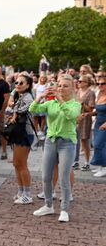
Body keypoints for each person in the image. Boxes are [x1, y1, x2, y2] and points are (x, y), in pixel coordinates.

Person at [30, 75, 81, 222]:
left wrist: (60, 99)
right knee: (46, 176)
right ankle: (48, 205)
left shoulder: (75, 104)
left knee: (64, 177)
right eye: (59, 85)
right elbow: (33, 110)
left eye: (65, 86)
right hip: (50, 141)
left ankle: (64, 209)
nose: (61, 88)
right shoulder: (51, 104)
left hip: (67, 143)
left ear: (72, 88)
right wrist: (40, 97)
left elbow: (71, 115)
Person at [9, 74, 35, 204]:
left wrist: (14, 112)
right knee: (16, 163)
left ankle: (27, 194)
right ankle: (21, 191)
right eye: (16, 82)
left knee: (22, 163)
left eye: (21, 83)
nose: (17, 85)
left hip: (25, 133)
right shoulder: (19, 96)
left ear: (28, 85)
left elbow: (24, 109)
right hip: (18, 132)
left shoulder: (28, 97)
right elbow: (11, 109)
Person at [75, 74, 96, 171]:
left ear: (86, 83)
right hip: (76, 118)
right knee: (75, 140)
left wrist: (82, 103)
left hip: (85, 118)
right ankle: (75, 161)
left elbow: (91, 109)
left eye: (80, 81)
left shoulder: (91, 93)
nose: (78, 83)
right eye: (78, 81)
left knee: (84, 141)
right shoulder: (78, 91)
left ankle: (87, 162)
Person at [90, 77, 106, 177]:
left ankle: (104, 167)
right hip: (98, 123)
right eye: (98, 83)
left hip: (104, 124)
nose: (100, 85)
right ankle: (100, 166)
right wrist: (89, 114)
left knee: (100, 145)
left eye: (103, 83)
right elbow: (98, 111)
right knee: (97, 145)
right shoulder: (99, 95)